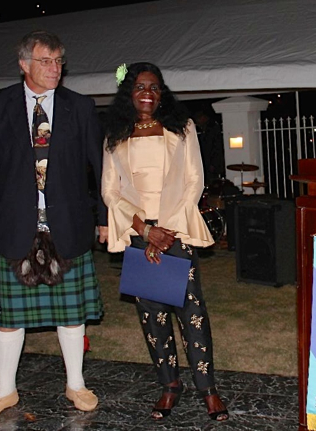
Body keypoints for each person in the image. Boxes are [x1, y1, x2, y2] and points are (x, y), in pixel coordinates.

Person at [0, 30, 107, 418]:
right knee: (9, 318)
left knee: (72, 314)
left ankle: (76, 385)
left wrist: (107, 219)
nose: (55, 69)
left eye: (59, 61)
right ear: (24, 64)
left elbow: (104, 169)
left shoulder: (80, 106)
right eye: (46, 61)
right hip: (15, 224)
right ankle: (5, 391)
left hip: (68, 224)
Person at [100, 62, 229, 422]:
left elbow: (194, 181)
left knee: (192, 314)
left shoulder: (182, 128)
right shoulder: (115, 134)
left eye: (155, 87)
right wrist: (145, 231)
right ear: (129, 92)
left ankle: (208, 388)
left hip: (176, 231)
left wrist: (166, 230)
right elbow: (109, 191)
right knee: (153, 316)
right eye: (141, 87)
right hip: (139, 234)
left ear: (162, 93)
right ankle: (169, 386)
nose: (148, 93)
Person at [193, 108, 226, 185]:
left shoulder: (211, 128)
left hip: (212, 162)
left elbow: (215, 146)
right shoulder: (206, 128)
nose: (197, 122)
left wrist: (213, 163)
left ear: (203, 118)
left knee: (213, 181)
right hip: (208, 161)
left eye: (198, 119)